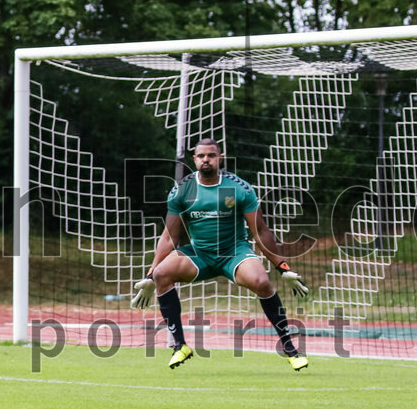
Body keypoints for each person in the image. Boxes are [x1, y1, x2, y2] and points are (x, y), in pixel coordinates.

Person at [130, 138, 310, 371]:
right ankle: (180, 346)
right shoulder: (182, 190)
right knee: (163, 274)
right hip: (199, 253)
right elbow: (169, 237)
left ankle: (289, 348)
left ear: (220, 158)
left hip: (234, 252)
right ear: (194, 159)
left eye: (211, 155)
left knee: (261, 282)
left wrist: (282, 267)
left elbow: (260, 231)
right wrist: (151, 274)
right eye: (201, 156)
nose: (206, 160)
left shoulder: (238, 188)